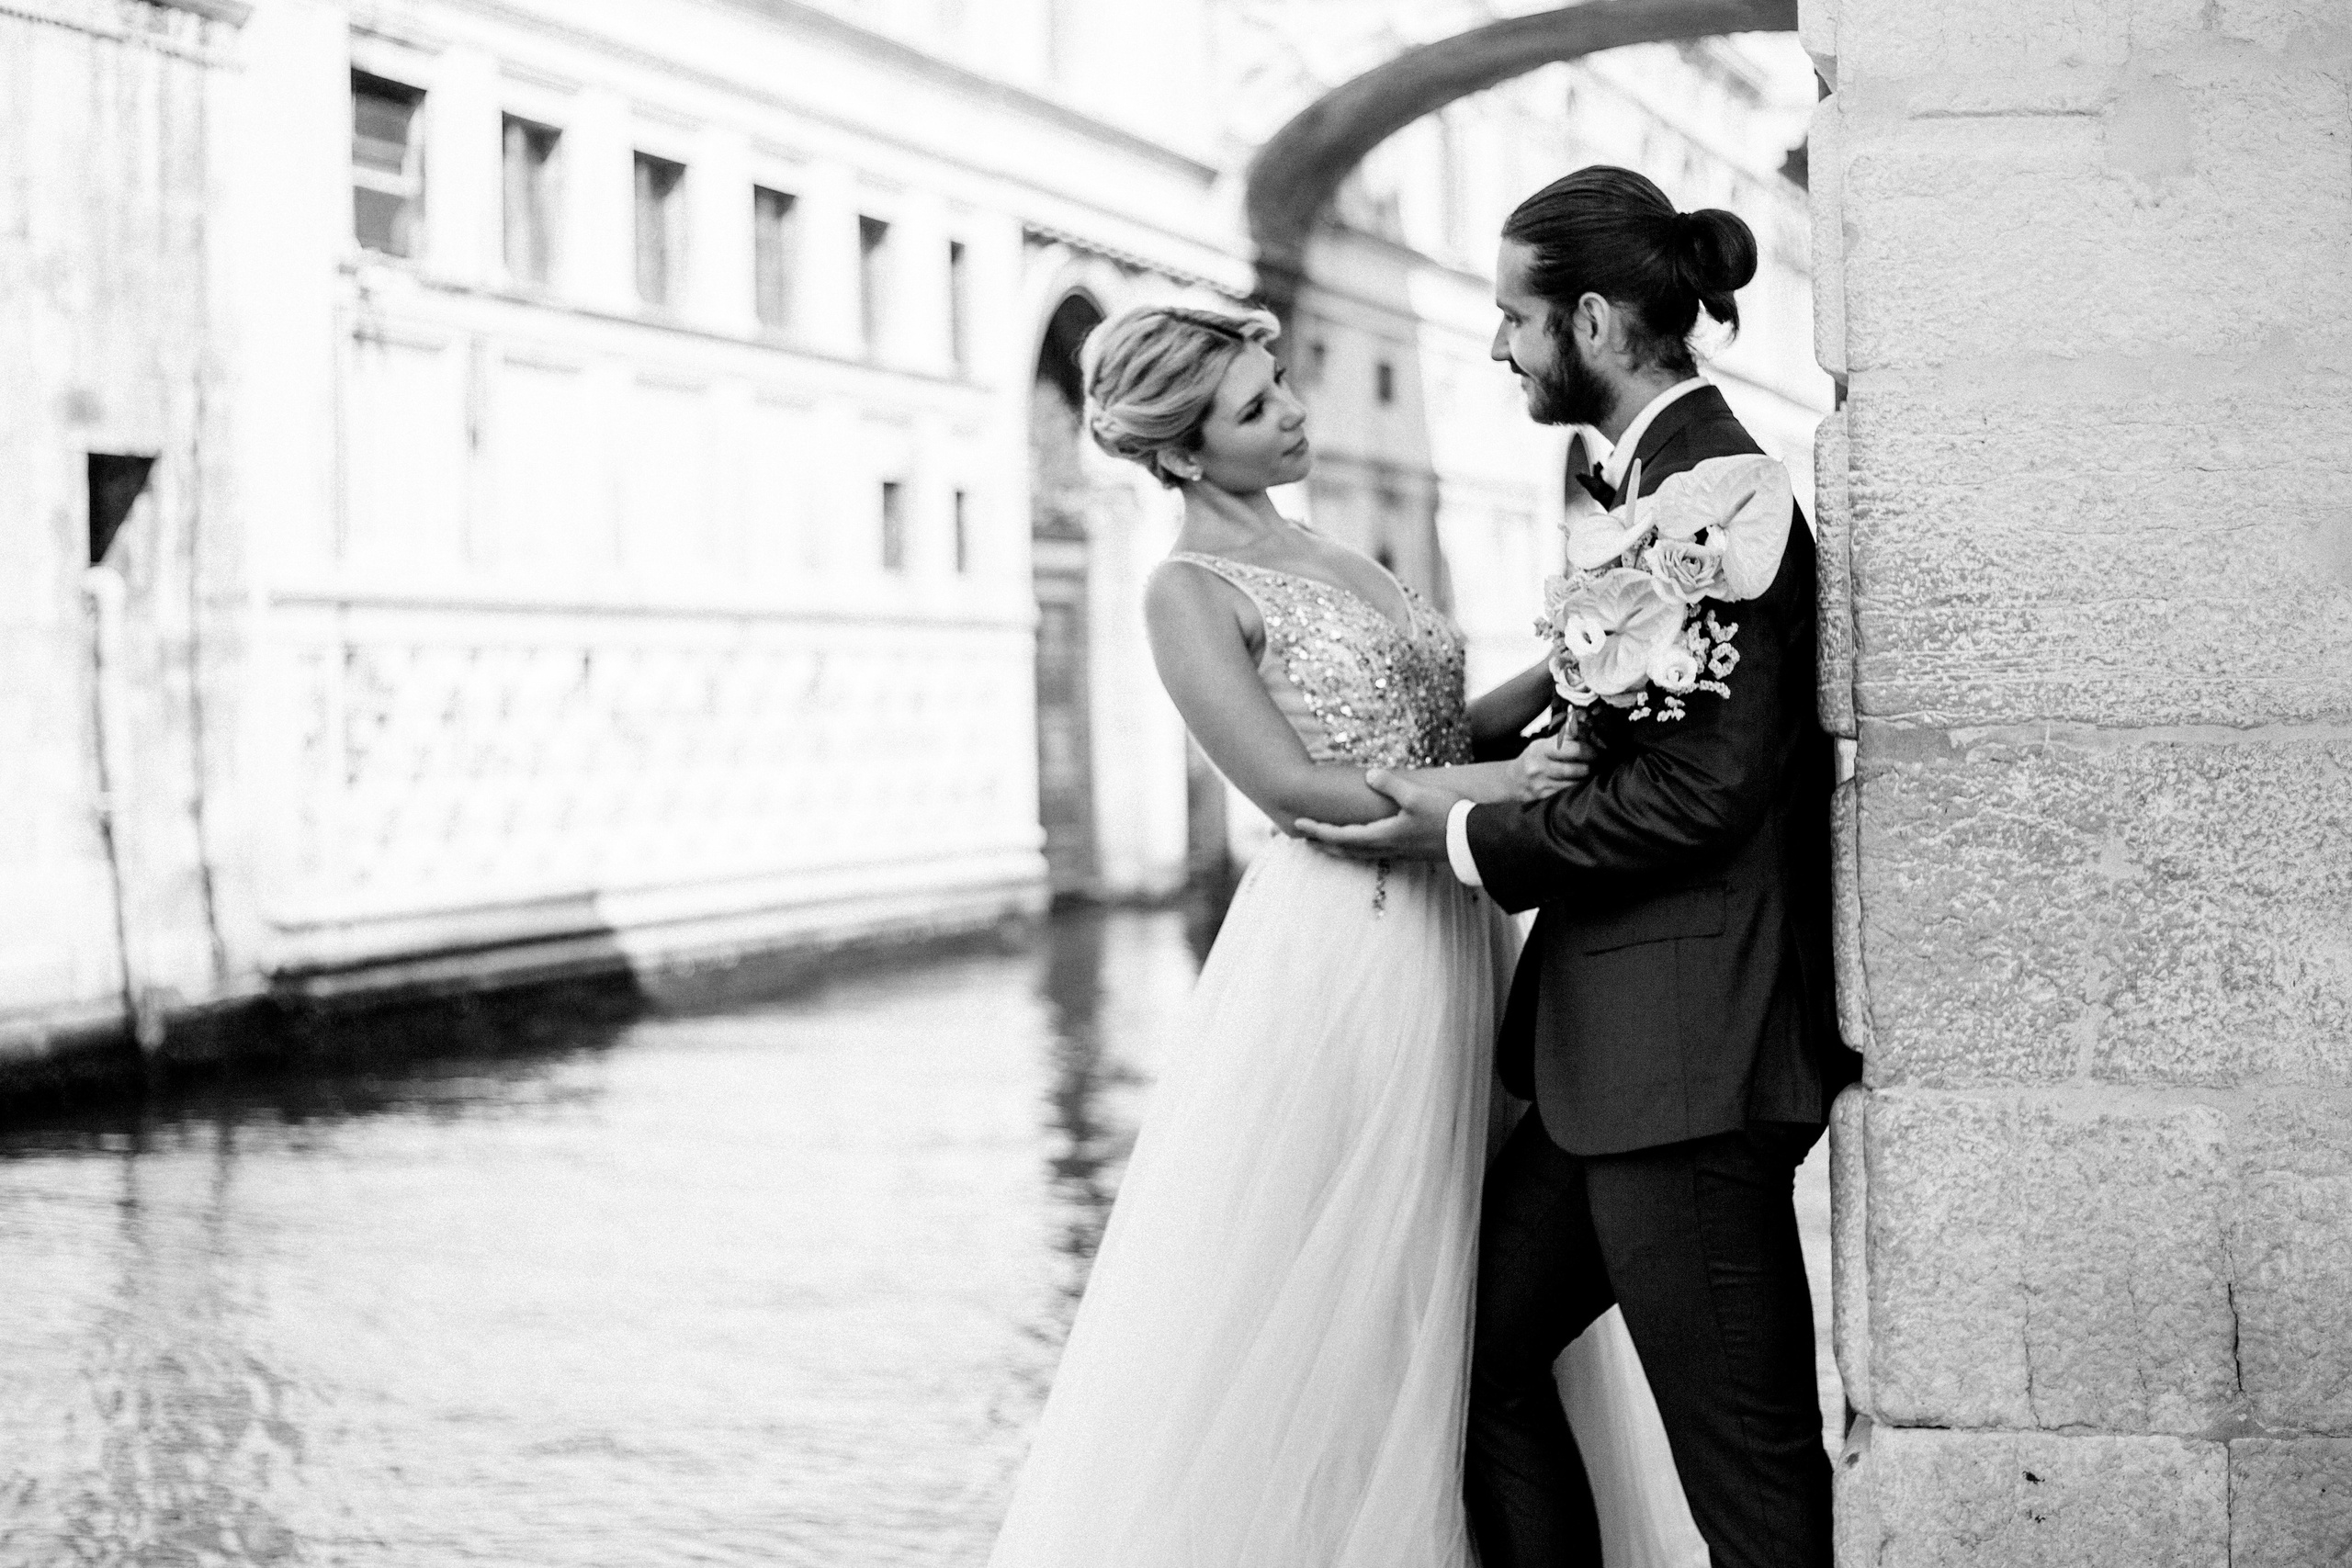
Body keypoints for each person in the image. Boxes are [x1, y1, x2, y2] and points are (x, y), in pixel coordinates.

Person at [987, 302, 1697, 1566]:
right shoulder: (1185, 592)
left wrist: (1586, 646)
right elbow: (1298, 794)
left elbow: (1436, 736)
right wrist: (1509, 791)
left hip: (1456, 914)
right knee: (1365, 1267)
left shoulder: (1325, 543)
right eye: (1260, 409)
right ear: (1187, 453)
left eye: (1283, 385)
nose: (1296, 412)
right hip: (1348, 947)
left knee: (1475, 1272)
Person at [1298, 166, 1853, 1568]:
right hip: (1609, 1067)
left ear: (1594, 322)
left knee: (1753, 1486)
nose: (1496, 344)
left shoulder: (1716, 500)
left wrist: (1468, 833)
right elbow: (1602, 714)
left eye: (1513, 318)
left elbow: (1702, 795)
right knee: (1464, 1367)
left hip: (1692, 1069)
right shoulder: (1650, 492)